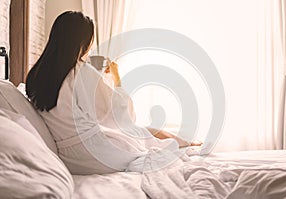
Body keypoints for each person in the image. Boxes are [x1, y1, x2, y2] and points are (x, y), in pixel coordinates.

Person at [26, 11, 200, 175]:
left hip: (70, 158)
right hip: (97, 153)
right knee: (147, 134)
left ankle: (188, 144)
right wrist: (116, 78)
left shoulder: (36, 76)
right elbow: (120, 114)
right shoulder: (81, 71)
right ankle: (189, 145)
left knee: (145, 134)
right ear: (82, 43)